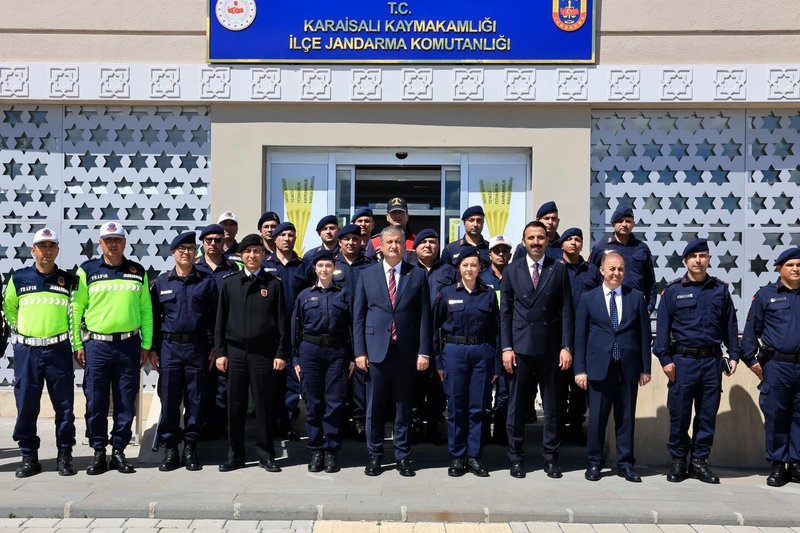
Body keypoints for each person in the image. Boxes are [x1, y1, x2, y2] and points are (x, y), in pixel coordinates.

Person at [654, 238, 740, 484]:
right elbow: (662, 330)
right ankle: (679, 461)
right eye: (693, 257)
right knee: (679, 414)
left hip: (712, 361)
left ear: (709, 259)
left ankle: (700, 462)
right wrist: (665, 359)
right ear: (685, 261)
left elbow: (730, 326)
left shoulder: (720, 290)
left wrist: (734, 354)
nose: (698, 261)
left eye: (703, 256)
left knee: (706, 415)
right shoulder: (672, 291)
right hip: (683, 362)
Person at [71, 222, 153, 475]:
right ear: (100, 243)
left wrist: (147, 344)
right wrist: (77, 343)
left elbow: (146, 310)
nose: (113, 244)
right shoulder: (86, 270)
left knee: (125, 400)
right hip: (97, 345)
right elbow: (76, 309)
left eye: (117, 239)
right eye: (108, 240)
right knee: (95, 400)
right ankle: (98, 452)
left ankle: (118, 450)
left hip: (129, 345)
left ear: (125, 243)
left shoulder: (137, 270)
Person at [354, 225, 432, 477]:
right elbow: (358, 316)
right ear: (380, 245)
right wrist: (359, 352)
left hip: (406, 352)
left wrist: (424, 352)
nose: (393, 246)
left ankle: (402, 456)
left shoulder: (417, 275)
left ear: (404, 245)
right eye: (388, 241)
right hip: (375, 352)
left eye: (397, 241)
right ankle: (375, 456)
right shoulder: (367, 275)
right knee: (374, 408)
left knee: (403, 408)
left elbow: (424, 318)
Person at [501, 220, 574, 479]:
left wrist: (566, 346)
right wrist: (506, 347)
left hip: (551, 349)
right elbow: (506, 313)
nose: (535, 242)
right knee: (517, 407)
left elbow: (567, 310)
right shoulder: (512, 270)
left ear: (547, 241)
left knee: (553, 408)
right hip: (520, 349)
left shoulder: (559, 269)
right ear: (523, 242)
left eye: (540, 238)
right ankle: (516, 457)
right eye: (531, 238)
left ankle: (551, 458)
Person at [573, 251, 652, 483]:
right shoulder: (589, 298)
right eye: (612, 269)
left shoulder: (636, 297)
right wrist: (580, 369)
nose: (616, 273)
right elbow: (580, 336)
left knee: (626, 418)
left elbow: (644, 335)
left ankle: (626, 464)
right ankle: (594, 463)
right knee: (597, 419)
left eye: (620, 269)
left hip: (627, 368)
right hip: (598, 368)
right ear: (602, 270)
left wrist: (645, 368)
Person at [4, 228, 76, 477]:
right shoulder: (19, 278)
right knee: (26, 405)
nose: (46, 250)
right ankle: (28, 456)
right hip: (28, 351)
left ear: (57, 250)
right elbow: (9, 309)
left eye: (51, 246)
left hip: (59, 350)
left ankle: (65, 454)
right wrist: (24, 332)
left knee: (64, 406)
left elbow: (75, 314)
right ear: (32, 250)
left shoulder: (68, 280)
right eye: (41, 246)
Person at [215, 233, 288, 473]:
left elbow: (281, 324)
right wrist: (220, 352)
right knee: (234, 405)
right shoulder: (230, 283)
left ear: (264, 255)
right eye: (248, 252)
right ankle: (235, 455)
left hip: (263, 355)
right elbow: (220, 321)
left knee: (265, 406)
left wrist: (280, 353)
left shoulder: (273, 284)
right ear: (241, 255)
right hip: (235, 353)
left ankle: (266, 455)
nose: (252, 256)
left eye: (257, 251)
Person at [150, 232, 219, 471]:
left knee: (196, 399)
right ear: (173, 253)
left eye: (190, 248)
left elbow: (215, 318)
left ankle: (190, 446)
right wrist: (152, 349)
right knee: (169, 399)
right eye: (181, 249)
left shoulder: (206, 282)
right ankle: (170, 449)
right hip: (169, 348)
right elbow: (153, 319)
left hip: (198, 348)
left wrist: (215, 347)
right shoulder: (161, 282)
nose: (186, 253)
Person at [433, 246, 500, 477]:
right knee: (456, 407)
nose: (470, 269)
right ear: (458, 268)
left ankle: (474, 456)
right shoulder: (447, 293)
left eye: (473, 264)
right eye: (465, 265)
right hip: (454, 352)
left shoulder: (489, 294)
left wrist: (495, 364)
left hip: (482, 353)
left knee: (477, 408)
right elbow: (436, 329)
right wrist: (439, 362)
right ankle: (457, 457)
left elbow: (496, 331)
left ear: (480, 267)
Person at [741, 247, 800, 487]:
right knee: (777, 416)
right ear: (779, 268)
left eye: (799, 265)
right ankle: (778, 465)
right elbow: (750, 333)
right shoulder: (766, 295)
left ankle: (796, 464)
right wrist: (752, 360)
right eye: (790, 265)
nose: (796, 269)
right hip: (777, 366)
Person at [291, 251, 354, 473]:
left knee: (334, 403)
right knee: (313, 403)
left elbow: (351, 328)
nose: (325, 269)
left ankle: (331, 451)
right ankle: (316, 449)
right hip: (310, 352)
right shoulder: (304, 296)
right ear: (315, 269)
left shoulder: (344, 295)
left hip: (337, 352)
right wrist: (296, 358)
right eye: (321, 266)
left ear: (334, 269)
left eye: (328, 265)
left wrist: (353, 356)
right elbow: (295, 329)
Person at [263, 221, 310, 440]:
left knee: (292, 381)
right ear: (275, 239)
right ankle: (270, 424)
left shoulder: (302, 266)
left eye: (292, 235)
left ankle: (287, 424)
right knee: (270, 381)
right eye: (283, 235)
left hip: (295, 330)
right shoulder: (265, 264)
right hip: (270, 330)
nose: (287, 239)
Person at [194, 223, 239, 439]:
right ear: (202, 243)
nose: (213, 244)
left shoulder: (232, 269)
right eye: (209, 240)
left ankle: (219, 428)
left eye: (218, 240)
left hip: (226, 337)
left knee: (223, 386)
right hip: (199, 337)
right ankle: (200, 426)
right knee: (200, 384)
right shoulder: (193, 268)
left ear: (224, 242)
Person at [558, 227, 602, 445]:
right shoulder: (554, 268)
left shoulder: (592, 271)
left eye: (578, 239)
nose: (574, 243)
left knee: (579, 388)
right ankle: (557, 430)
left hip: (586, 336)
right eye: (570, 239)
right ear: (562, 244)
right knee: (557, 387)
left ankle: (575, 429)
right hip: (559, 337)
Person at [412, 229, 456, 444]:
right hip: (414, 335)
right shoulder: (409, 269)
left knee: (438, 384)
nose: (428, 245)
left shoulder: (448, 271)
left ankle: (435, 425)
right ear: (415, 247)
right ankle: (416, 424)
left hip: (441, 334)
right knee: (415, 383)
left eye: (433, 242)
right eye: (424, 242)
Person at [333, 224, 374, 440]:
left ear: (361, 242)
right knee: (338, 373)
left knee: (360, 373)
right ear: (339, 242)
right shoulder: (330, 264)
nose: (350, 243)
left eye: (354, 239)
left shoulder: (370, 265)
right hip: (337, 326)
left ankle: (359, 419)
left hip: (364, 326)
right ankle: (340, 419)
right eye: (346, 239)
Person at [588, 206, 657, 314]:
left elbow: (650, 280)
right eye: (620, 221)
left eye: (628, 221)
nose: (624, 224)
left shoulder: (642, 248)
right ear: (613, 224)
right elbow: (591, 278)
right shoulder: (600, 248)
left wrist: (649, 307)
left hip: (635, 307)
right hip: (608, 306)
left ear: (633, 224)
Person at [479, 235, 512, 445]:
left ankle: (501, 431)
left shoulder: (516, 275)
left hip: (509, 338)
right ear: (489, 254)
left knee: (505, 390)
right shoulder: (481, 278)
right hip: (487, 337)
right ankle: (482, 432)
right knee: (483, 388)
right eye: (497, 251)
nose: (501, 254)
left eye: (504, 251)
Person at [302, 215, 341, 281]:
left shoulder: (344, 253)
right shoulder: (310, 256)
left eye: (331, 228)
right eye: (325, 229)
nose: (328, 232)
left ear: (338, 230)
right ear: (319, 233)